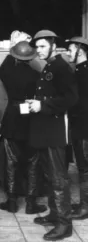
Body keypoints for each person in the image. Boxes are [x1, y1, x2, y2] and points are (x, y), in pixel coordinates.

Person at [27, 30, 78, 241]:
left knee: (58, 178)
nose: (38, 50)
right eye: (36, 47)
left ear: (53, 46)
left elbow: (71, 98)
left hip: (56, 129)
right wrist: (37, 104)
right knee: (50, 175)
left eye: (42, 46)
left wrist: (43, 105)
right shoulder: (49, 65)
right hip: (46, 127)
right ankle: (55, 214)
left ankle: (64, 225)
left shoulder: (61, 67)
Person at [0, 41, 47, 214]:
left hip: (12, 118)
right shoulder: (37, 75)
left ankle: (11, 202)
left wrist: (13, 46)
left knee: (11, 162)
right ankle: (31, 203)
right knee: (33, 162)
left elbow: (4, 65)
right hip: (31, 119)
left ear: (15, 57)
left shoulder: (6, 72)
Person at [65, 36, 88, 220]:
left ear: (80, 49)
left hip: (84, 127)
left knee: (85, 167)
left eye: (70, 49)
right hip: (80, 125)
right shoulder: (79, 70)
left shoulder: (83, 73)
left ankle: (85, 206)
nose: (67, 53)